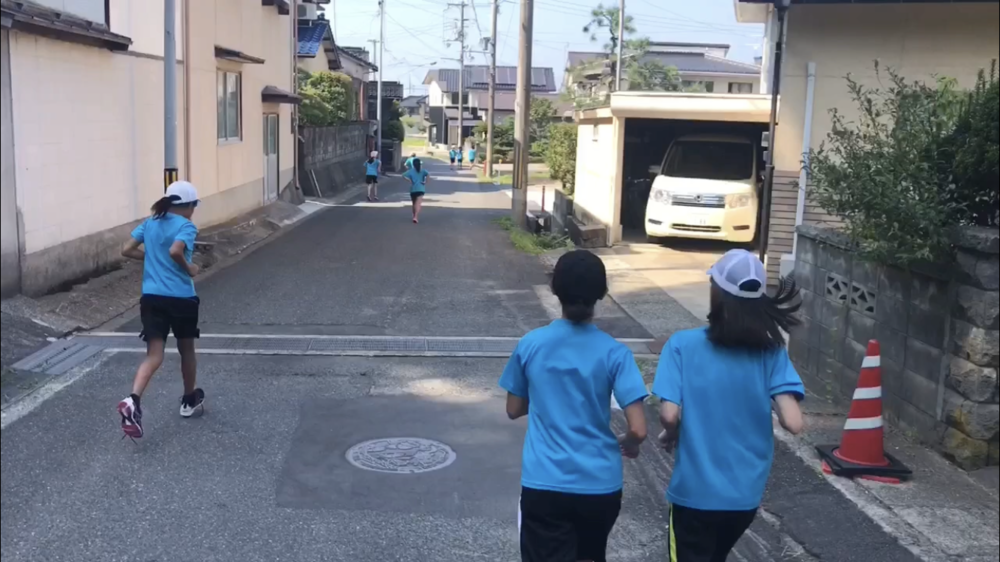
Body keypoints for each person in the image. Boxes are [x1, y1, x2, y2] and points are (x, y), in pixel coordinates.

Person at [652, 249, 805, 562]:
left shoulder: (682, 345)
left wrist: (671, 433)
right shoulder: (771, 352)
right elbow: (793, 421)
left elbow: (669, 414)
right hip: (743, 500)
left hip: (694, 496)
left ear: (716, 293)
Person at [500, 250, 649, 562]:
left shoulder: (531, 344)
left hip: (546, 483)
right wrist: (629, 443)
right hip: (600, 487)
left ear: (555, 290)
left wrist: (546, 397)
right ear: (601, 294)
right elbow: (638, 428)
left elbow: (513, 408)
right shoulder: (615, 353)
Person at [117, 181, 205, 439]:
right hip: (181, 298)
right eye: (193, 206)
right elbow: (176, 250)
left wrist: (151, 257)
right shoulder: (186, 226)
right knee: (186, 349)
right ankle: (189, 400)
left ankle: (133, 400)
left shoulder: (151, 222)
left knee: (154, 354)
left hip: (151, 298)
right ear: (188, 206)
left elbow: (125, 249)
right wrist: (190, 269)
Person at [402, 157, 430, 224]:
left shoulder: (411, 171)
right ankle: (416, 217)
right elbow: (428, 175)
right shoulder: (423, 171)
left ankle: (414, 215)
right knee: (418, 204)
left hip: (413, 189)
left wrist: (410, 180)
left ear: (413, 164)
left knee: (414, 203)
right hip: (421, 189)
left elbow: (403, 175)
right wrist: (425, 182)